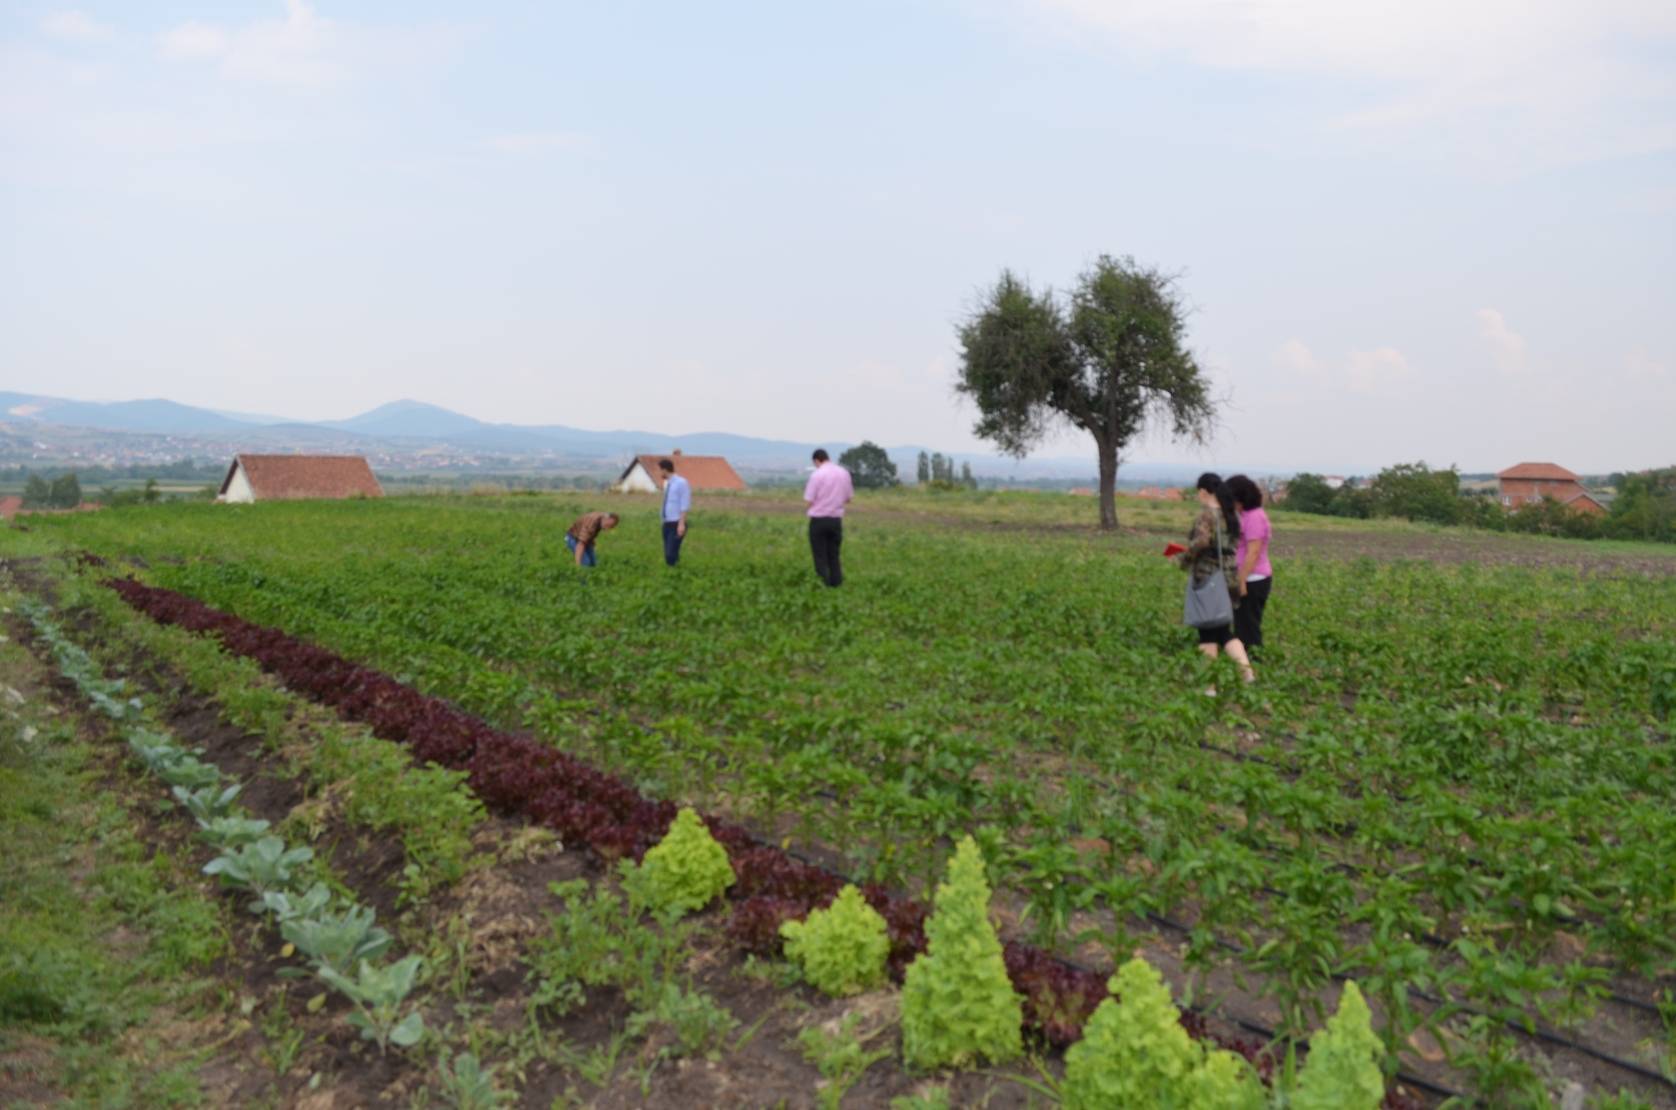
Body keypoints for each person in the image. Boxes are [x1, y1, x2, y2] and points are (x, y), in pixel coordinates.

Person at [1176, 473, 1255, 685]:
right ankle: (1247, 675)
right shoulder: (1232, 515)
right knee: (1224, 632)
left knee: (1207, 633)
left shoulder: (1207, 516)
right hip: (1229, 577)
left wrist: (1184, 558)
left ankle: (1208, 686)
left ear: (1203, 491)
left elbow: (1201, 542)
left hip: (1209, 578)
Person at [1226, 474, 1272, 658]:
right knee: (1241, 623)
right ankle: (1243, 662)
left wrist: (1241, 580)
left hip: (1253, 579)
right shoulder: (1245, 514)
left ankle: (1253, 662)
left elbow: (1253, 552)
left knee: (1248, 626)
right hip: (1246, 577)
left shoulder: (1254, 517)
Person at [803, 448, 853, 587]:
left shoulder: (817, 475)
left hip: (819, 520)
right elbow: (848, 498)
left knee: (820, 556)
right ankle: (836, 584)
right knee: (834, 555)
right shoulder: (844, 473)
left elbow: (809, 500)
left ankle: (823, 585)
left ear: (816, 460)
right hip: (836, 520)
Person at [658, 458, 691, 567]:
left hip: (676, 523)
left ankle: (674, 570)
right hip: (666, 523)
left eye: (660, 470)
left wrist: (681, 524)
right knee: (669, 552)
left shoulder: (681, 483)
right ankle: (675, 571)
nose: (659, 473)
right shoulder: (667, 484)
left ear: (665, 470)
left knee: (670, 554)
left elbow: (684, 504)